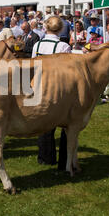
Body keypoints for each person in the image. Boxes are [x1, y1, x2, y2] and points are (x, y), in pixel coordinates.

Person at [31, 16, 71, 167]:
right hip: (57, 87)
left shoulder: (37, 45)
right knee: (65, 123)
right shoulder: (63, 47)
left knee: (44, 123)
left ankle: (45, 157)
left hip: (40, 85)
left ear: (46, 28)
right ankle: (64, 159)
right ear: (61, 29)